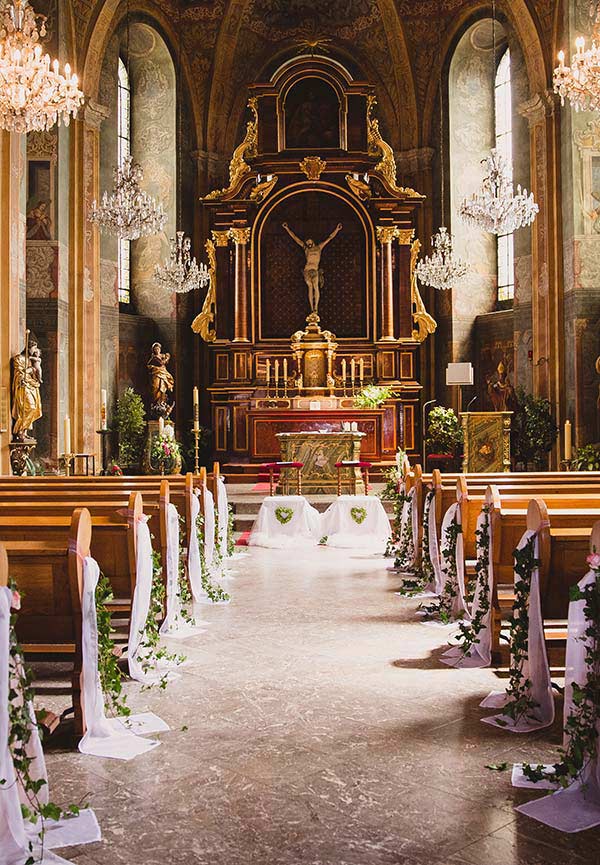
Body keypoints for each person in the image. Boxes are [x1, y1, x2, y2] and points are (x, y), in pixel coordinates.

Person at [282, 221, 342, 314]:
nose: (308, 243)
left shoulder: (319, 248)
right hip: (307, 270)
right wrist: (287, 229)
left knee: (316, 288)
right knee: (310, 288)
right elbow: (296, 239)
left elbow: (329, 238)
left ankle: (316, 308)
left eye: (309, 242)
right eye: (307, 242)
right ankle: (311, 309)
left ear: (312, 241)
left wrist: (337, 230)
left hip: (315, 270)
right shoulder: (306, 249)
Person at [12, 335, 42, 442]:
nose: (35, 351)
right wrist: (28, 371)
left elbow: (35, 372)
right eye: (34, 349)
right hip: (23, 386)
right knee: (29, 407)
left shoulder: (30, 360)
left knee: (34, 409)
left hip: (32, 386)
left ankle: (24, 432)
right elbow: (18, 374)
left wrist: (33, 370)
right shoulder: (19, 359)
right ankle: (20, 431)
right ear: (28, 348)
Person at [147, 342, 174, 416]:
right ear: (153, 350)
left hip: (163, 374)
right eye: (155, 349)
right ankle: (156, 404)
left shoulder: (162, 355)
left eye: (158, 348)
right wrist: (166, 359)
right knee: (156, 387)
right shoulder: (154, 358)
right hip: (156, 376)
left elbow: (165, 361)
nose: (157, 350)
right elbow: (160, 363)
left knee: (163, 388)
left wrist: (167, 357)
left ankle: (162, 402)